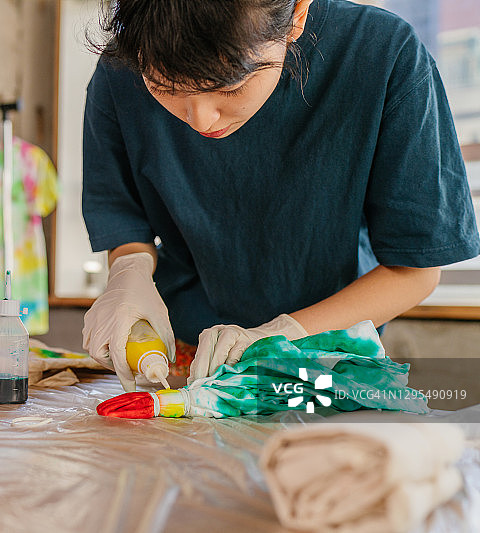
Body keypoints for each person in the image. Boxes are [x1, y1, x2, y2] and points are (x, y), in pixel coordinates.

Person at [81, 0, 480, 392]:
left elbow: (414, 270)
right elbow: (123, 219)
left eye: (230, 86)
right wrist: (128, 274)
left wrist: (286, 335)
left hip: (325, 357)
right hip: (186, 358)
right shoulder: (122, 67)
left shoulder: (381, 53)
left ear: (296, 17)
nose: (199, 119)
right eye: (163, 86)